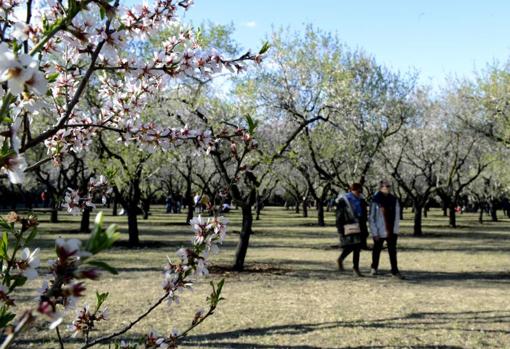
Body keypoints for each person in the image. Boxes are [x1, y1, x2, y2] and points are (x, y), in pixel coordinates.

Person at [369, 180, 404, 279]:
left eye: (389, 186)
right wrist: (374, 232)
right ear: (381, 187)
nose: (388, 188)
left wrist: (396, 230)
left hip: (392, 230)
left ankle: (394, 270)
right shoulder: (376, 200)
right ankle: (374, 268)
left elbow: (397, 216)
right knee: (377, 250)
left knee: (392, 251)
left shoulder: (394, 200)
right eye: (386, 186)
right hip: (380, 230)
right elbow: (372, 218)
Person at [335, 183, 368, 277]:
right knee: (351, 246)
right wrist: (340, 229)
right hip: (348, 225)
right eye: (358, 191)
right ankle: (341, 259)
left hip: (360, 225)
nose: (359, 193)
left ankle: (355, 268)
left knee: (357, 247)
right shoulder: (344, 201)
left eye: (360, 191)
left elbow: (364, 213)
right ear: (352, 190)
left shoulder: (361, 200)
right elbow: (339, 216)